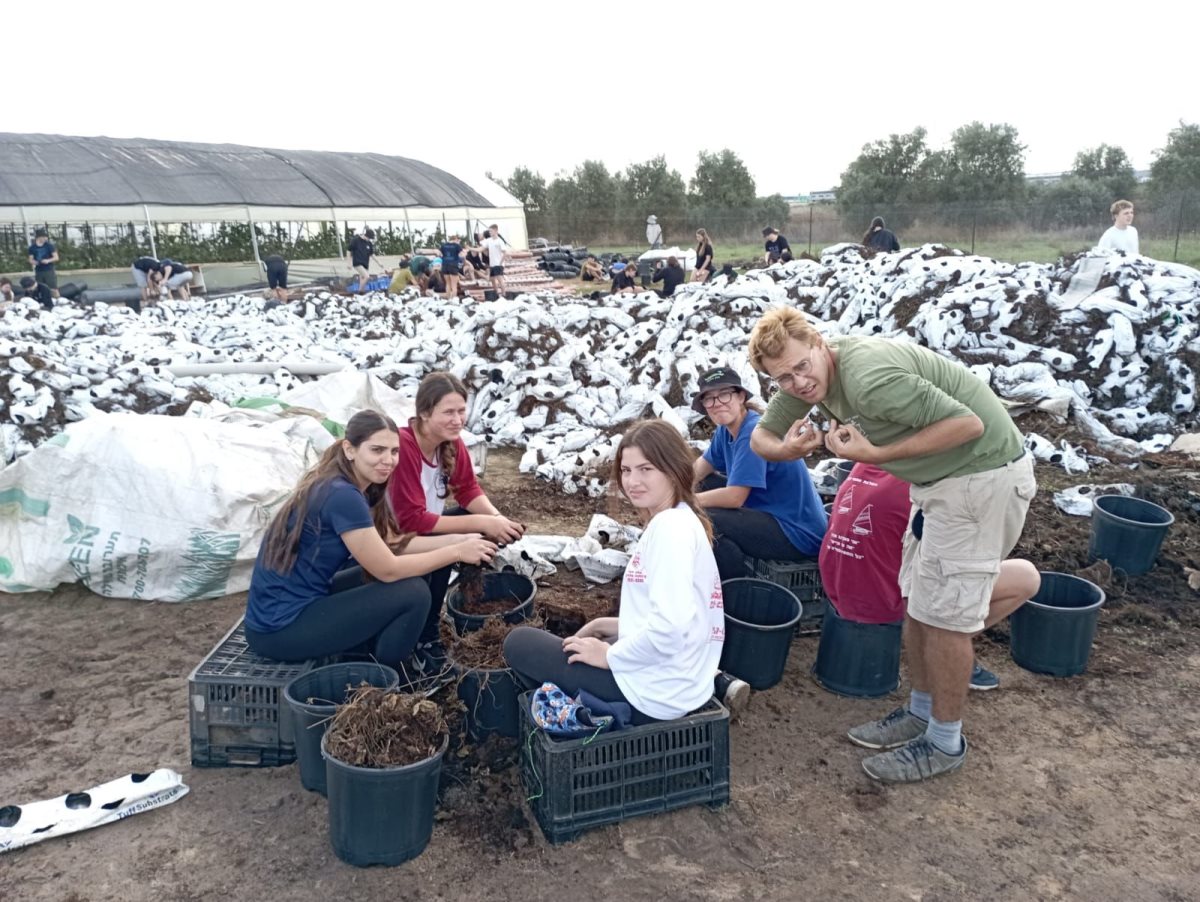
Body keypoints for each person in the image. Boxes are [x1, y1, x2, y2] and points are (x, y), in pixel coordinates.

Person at [747, 307, 1038, 784]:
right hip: (936, 484)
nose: (799, 382)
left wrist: (876, 454)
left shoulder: (868, 380)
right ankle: (921, 712)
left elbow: (969, 425)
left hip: (979, 477)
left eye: (802, 366)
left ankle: (944, 741)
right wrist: (786, 450)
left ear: (820, 343)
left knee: (945, 619)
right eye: (784, 377)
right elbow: (763, 435)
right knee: (920, 603)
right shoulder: (811, 378)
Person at [504, 418, 749, 723]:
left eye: (646, 469)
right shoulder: (682, 518)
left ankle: (598, 716)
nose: (633, 481)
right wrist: (609, 625)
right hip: (681, 680)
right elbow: (673, 615)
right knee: (582, 640)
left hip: (652, 697)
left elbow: (669, 631)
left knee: (519, 643)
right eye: (626, 470)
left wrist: (609, 656)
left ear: (673, 470)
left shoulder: (670, 530)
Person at [244, 409, 498, 672]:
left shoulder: (346, 484)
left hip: (295, 608)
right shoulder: (343, 496)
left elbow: (393, 545)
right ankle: (387, 675)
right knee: (413, 593)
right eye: (377, 450)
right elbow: (387, 569)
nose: (388, 460)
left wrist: (459, 539)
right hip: (280, 630)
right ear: (350, 449)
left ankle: (369, 653)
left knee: (415, 574)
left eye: (394, 451)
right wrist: (456, 551)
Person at [820, 462, 1031, 690]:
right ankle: (945, 651)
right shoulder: (929, 484)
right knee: (1026, 577)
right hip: (883, 602)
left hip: (836, 586)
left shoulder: (867, 462)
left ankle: (942, 645)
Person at [387, 372, 526, 668]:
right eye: (448, 412)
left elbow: (467, 489)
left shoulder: (451, 442)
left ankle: (431, 628)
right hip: (395, 539)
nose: (457, 419)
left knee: (468, 519)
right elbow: (411, 520)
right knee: (462, 532)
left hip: (422, 529)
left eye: (461, 411)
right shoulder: (404, 445)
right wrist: (481, 525)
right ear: (424, 412)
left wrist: (498, 520)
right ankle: (421, 636)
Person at [691, 367, 826, 582]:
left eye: (724, 395)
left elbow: (735, 497)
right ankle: (724, 570)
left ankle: (734, 589)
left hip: (796, 532)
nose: (717, 404)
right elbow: (698, 471)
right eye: (709, 400)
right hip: (769, 514)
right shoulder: (726, 431)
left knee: (702, 518)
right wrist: (668, 490)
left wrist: (682, 501)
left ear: (741, 396)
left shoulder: (752, 433)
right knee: (703, 485)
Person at [27, 228, 59, 297]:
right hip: (39, 271)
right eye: (43, 237)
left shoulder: (49, 246)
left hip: (49, 270)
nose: (45, 238)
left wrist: (48, 261)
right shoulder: (32, 248)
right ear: (39, 237)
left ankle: (57, 299)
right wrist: (35, 262)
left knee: (53, 287)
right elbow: (30, 259)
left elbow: (56, 257)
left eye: (45, 237)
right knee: (40, 287)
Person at [348, 228, 379, 293]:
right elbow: (349, 250)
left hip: (365, 263)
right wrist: (349, 263)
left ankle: (361, 292)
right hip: (357, 262)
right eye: (369, 238)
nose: (369, 239)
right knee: (366, 276)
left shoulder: (369, 243)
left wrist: (379, 263)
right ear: (366, 235)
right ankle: (360, 290)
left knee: (362, 278)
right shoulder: (356, 240)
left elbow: (371, 254)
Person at [482, 224, 506, 296]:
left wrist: (500, 263)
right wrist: (471, 248)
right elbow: (482, 248)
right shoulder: (489, 240)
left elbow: (505, 253)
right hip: (492, 264)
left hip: (498, 264)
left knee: (500, 279)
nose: (490, 232)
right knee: (492, 279)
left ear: (496, 231)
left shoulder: (500, 241)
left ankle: (504, 294)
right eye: (489, 231)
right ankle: (496, 293)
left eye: (491, 231)